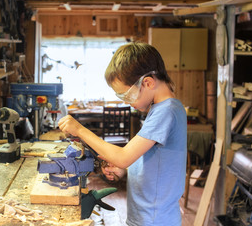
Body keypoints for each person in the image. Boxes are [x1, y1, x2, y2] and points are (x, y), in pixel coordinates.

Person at [58, 42, 187, 226]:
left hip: (155, 220)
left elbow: (124, 156)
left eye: (127, 95)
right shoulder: (160, 109)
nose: (127, 101)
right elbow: (152, 161)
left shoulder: (167, 111)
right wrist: (124, 170)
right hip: (147, 216)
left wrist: (80, 130)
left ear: (148, 82)